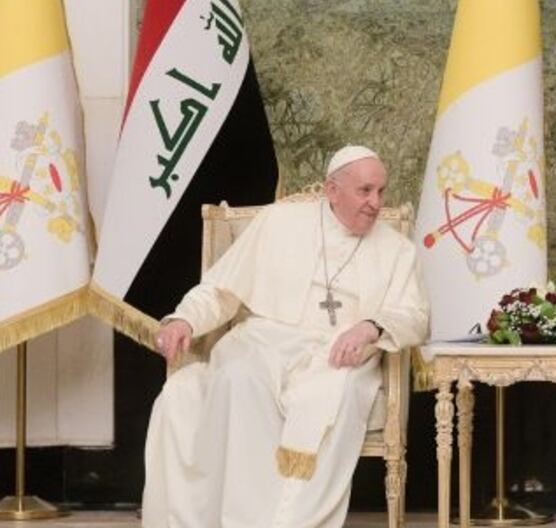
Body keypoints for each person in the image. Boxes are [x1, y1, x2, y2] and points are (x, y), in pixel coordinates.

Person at [142, 145, 429, 528]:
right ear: (332, 189)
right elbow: (220, 291)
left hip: (338, 352)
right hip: (264, 339)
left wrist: (370, 326)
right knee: (236, 377)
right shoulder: (279, 222)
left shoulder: (397, 250)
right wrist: (183, 321)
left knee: (333, 394)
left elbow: (415, 315)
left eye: (380, 191)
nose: (375, 203)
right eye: (364, 191)